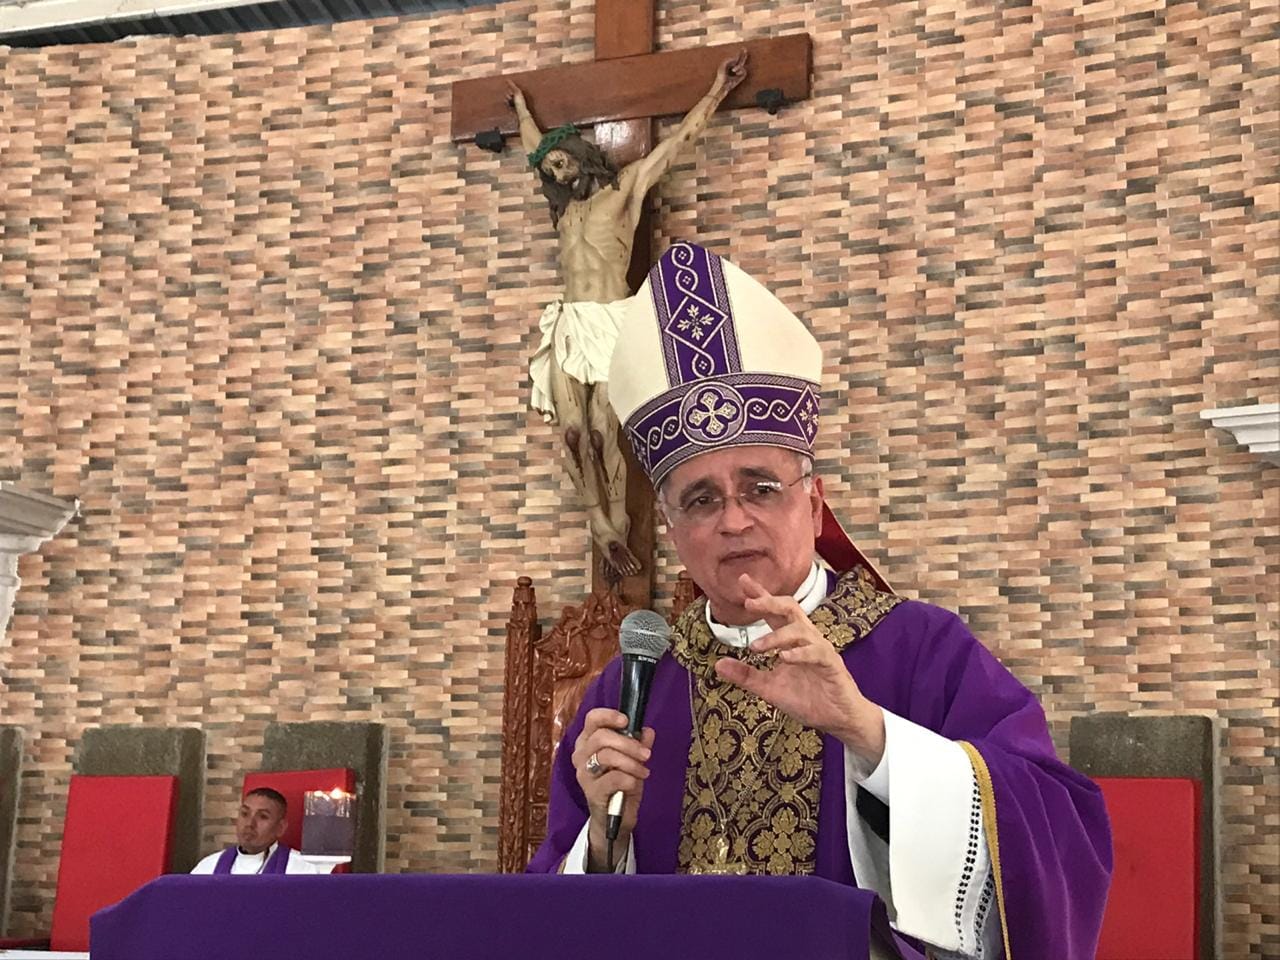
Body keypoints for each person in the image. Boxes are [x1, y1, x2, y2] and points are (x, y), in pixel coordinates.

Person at [526, 241, 1113, 960]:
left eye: (761, 488)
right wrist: (604, 838)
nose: (734, 520)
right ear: (673, 530)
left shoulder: (922, 650)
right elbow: (552, 906)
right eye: (701, 500)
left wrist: (872, 736)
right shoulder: (631, 687)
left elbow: (1059, 827)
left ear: (813, 502)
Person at [505, 52, 748, 579]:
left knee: (601, 432)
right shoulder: (564, 213)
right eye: (551, 170)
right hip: (571, 322)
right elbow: (532, 148)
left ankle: (618, 519)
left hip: (613, 319)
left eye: (562, 162)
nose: (557, 172)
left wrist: (718, 90)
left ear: (580, 155)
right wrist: (521, 112)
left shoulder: (625, 191)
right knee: (572, 435)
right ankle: (600, 526)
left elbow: (677, 143)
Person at [191, 787, 317, 875]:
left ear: (281, 828)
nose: (250, 824)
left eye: (263, 816)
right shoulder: (208, 867)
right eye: (245, 814)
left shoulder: (302, 870)